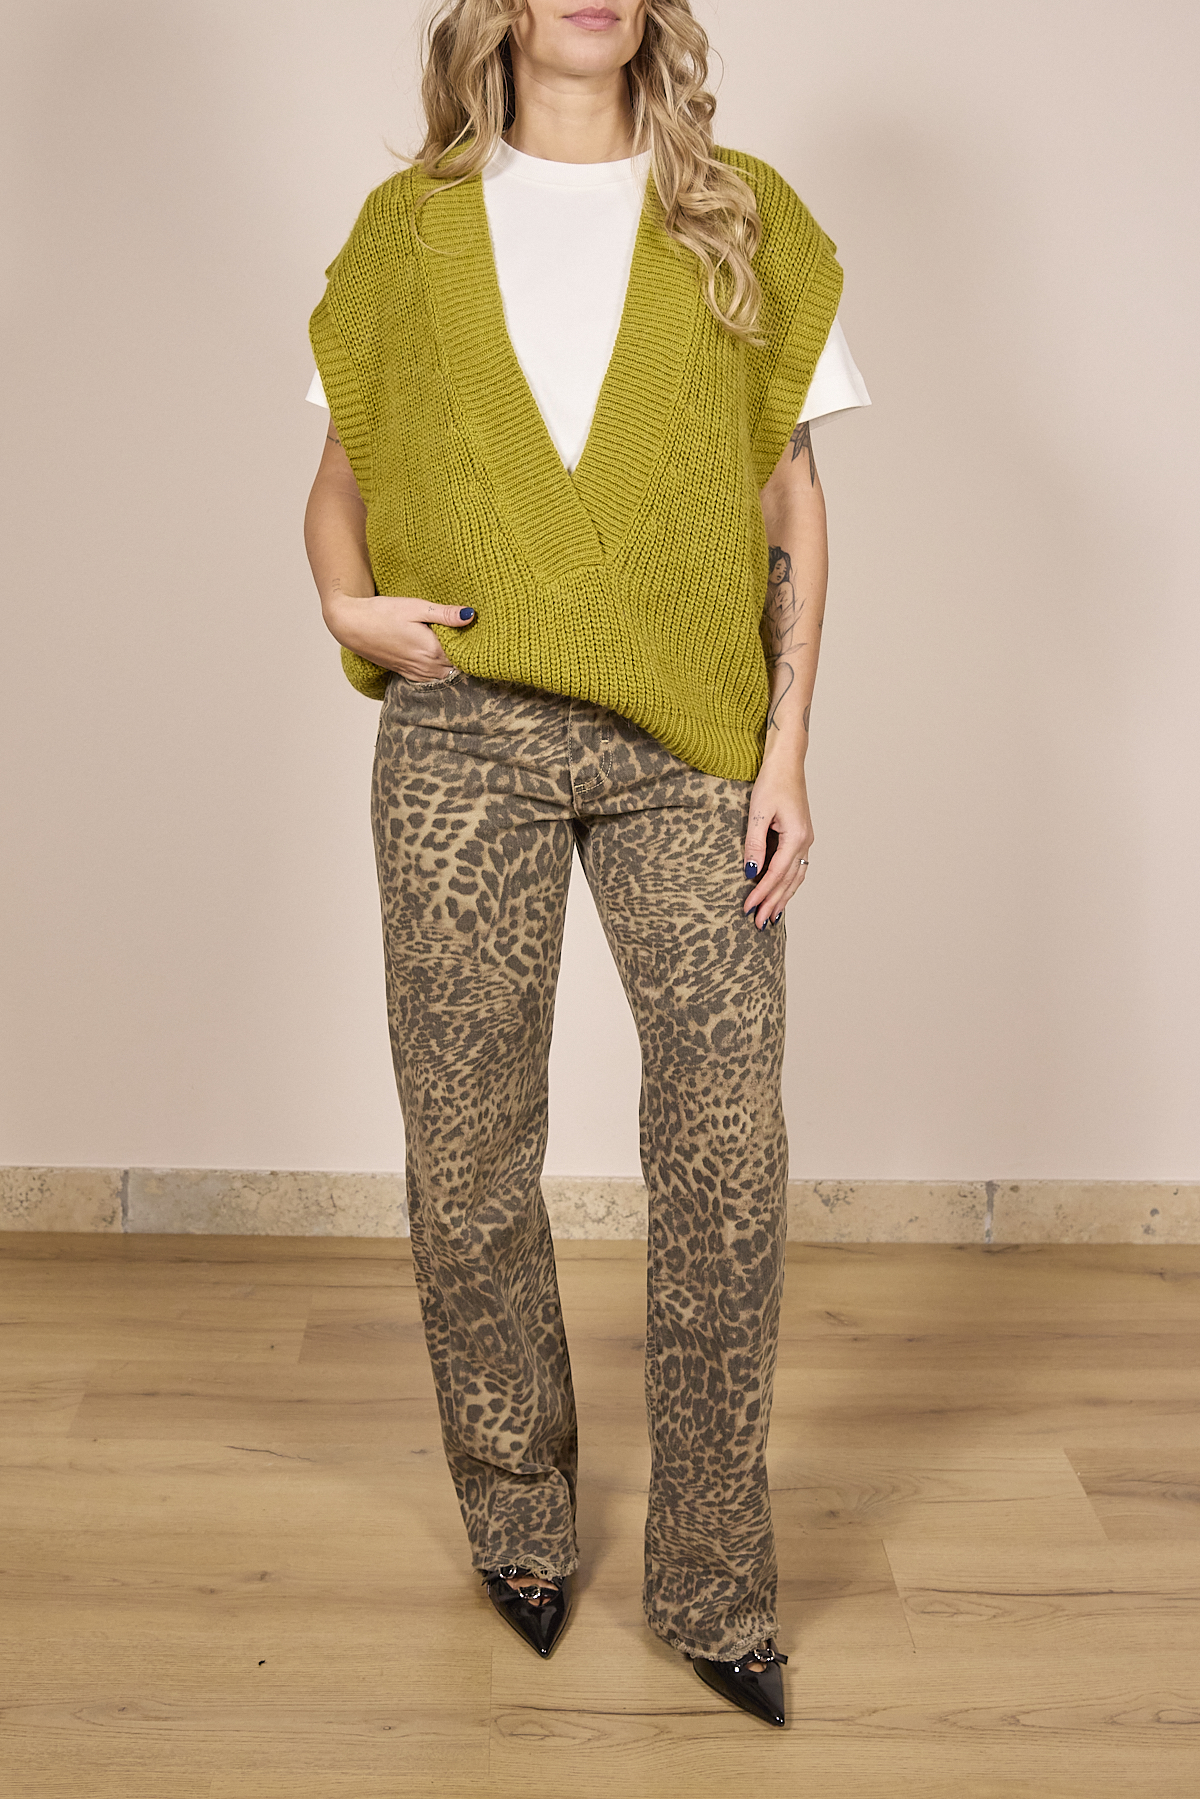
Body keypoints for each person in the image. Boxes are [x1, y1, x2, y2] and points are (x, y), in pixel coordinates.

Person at [303, 0, 868, 1730]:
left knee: (725, 1152)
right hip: (462, 736)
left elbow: (790, 503)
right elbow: (338, 477)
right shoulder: (406, 235)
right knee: (469, 1148)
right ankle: (519, 1520)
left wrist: (786, 749)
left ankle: (714, 1581)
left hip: (690, 745)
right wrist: (342, 605)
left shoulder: (739, 214)